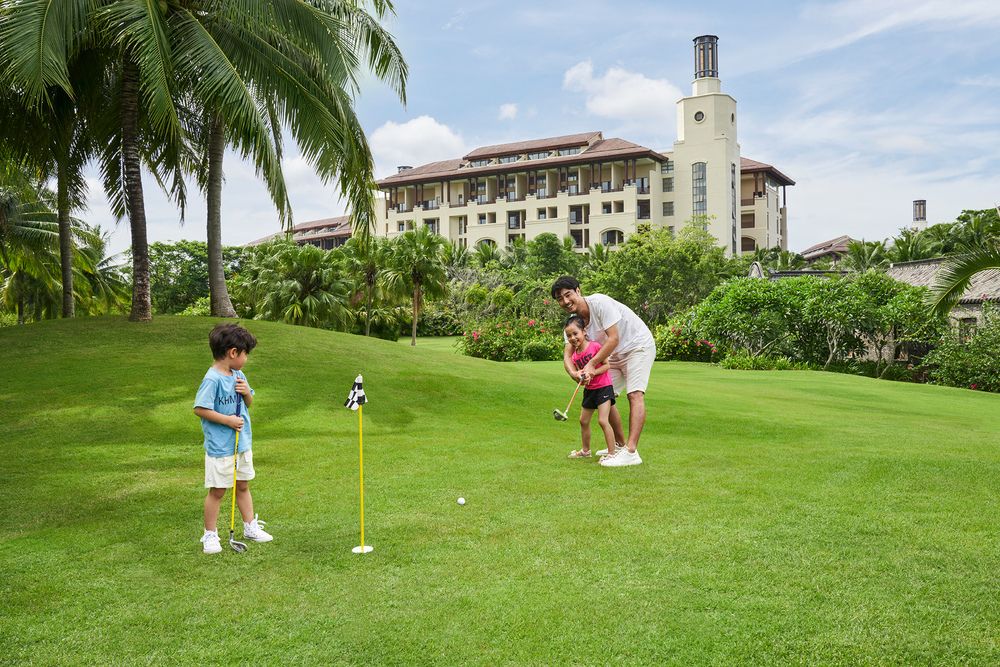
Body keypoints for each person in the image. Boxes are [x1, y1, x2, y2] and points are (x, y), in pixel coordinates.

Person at [551, 276, 656, 467]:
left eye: (568, 295)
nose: (565, 301)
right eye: (560, 299)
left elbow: (613, 338)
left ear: (578, 291)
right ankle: (619, 446)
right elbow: (567, 356)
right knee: (605, 396)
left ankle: (631, 452)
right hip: (612, 356)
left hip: (637, 346)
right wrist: (574, 373)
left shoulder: (599, 303)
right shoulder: (573, 323)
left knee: (635, 394)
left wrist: (591, 365)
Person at [194, 323, 272, 554]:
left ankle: (250, 527)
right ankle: (210, 535)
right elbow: (200, 408)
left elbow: (248, 404)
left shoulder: (238, 374)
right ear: (233, 352)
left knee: (243, 485)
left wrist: (246, 391)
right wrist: (227, 420)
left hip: (242, 443)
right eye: (246, 353)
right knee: (218, 490)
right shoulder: (212, 379)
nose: (246, 358)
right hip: (221, 447)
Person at [564, 315, 617, 460]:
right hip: (590, 391)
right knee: (583, 421)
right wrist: (581, 376)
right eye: (569, 335)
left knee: (602, 420)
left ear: (584, 332)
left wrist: (593, 372)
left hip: (603, 388)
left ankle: (612, 454)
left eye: (575, 333)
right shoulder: (574, 356)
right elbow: (581, 375)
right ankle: (585, 451)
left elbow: (607, 365)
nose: (573, 338)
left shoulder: (595, 346)